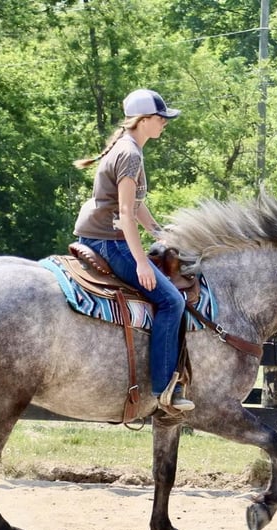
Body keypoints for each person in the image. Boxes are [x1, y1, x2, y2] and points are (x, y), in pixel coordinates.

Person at [73, 88, 194, 413]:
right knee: (171, 302)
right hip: (110, 242)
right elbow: (125, 214)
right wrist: (141, 262)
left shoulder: (127, 148)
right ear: (145, 120)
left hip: (101, 236)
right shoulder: (130, 154)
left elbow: (135, 206)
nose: (165, 124)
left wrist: (159, 231)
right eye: (162, 118)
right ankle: (164, 386)